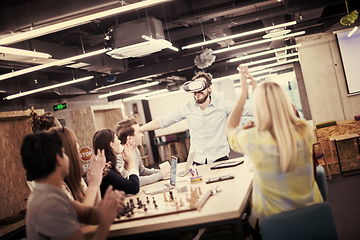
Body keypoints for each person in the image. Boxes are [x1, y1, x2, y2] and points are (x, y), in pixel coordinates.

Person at [226, 65, 323, 235]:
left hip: (276, 228)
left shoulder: (254, 139)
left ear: (257, 108)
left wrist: (243, 93)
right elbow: (281, 114)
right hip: (313, 220)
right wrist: (254, 82)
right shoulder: (303, 129)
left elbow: (230, 128)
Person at [21, 131, 125, 240]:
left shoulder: (51, 194)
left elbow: (89, 215)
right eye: (64, 153)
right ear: (58, 159)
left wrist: (98, 182)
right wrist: (93, 187)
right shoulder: (48, 203)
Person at [140, 71, 235, 165]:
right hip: (198, 161)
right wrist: (140, 129)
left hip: (220, 158)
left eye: (201, 86)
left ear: (209, 88)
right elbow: (164, 121)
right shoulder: (187, 108)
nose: (197, 91)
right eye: (195, 88)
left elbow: (246, 110)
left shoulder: (222, 105)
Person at [52, 127, 104, 206]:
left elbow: (96, 208)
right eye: (75, 142)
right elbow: (81, 215)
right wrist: (93, 186)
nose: (78, 146)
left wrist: (96, 178)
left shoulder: (77, 179)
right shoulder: (55, 186)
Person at [115, 118, 170, 186]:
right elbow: (134, 181)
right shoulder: (119, 156)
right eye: (139, 132)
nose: (142, 135)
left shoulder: (134, 149)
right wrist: (160, 175)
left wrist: (164, 172)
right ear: (129, 138)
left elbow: (142, 171)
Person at [93, 129, 140, 196]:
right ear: (111, 144)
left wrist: (126, 163)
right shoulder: (105, 171)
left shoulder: (103, 165)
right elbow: (134, 187)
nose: (120, 141)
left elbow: (120, 182)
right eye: (117, 139)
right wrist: (131, 163)